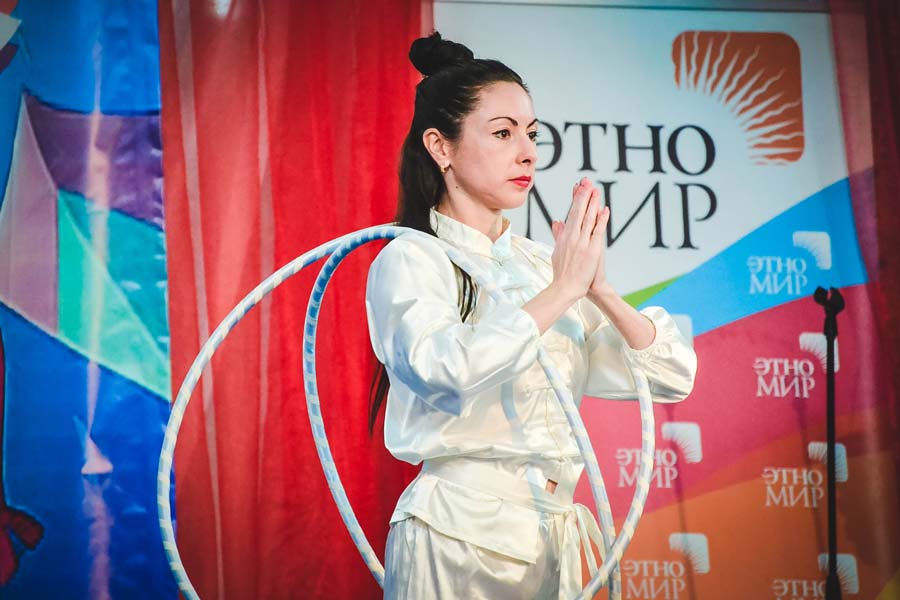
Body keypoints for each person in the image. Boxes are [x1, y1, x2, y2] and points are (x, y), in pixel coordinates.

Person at [364, 32, 698, 600]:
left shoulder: (547, 267)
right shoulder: (412, 257)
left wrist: (599, 290)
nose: (528, 153)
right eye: (503, 133)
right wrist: (563, 290)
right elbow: (444, 370)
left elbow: (671, 378)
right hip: (458, 536)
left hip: (555, 542)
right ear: (440, 147)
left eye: (532, 134)